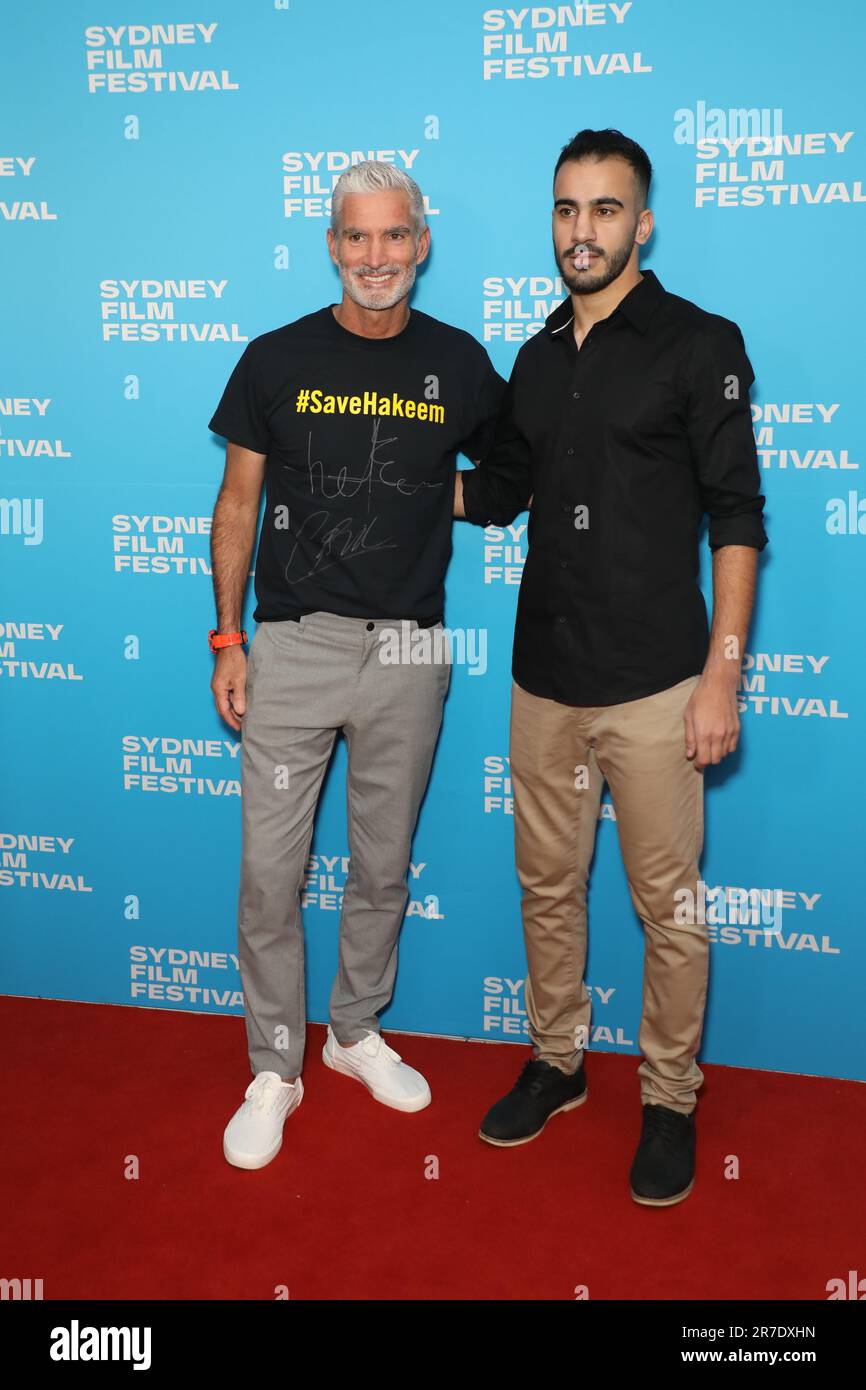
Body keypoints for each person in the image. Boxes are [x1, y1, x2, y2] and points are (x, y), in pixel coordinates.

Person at [455, 128, 768, 1206]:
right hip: (541, 674)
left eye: (602, 209)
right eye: (563, 209)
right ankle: (557, 1059)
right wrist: (373, 477)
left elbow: (736, 518)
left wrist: (722, 673)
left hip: (655, 683)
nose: (579, 230)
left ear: (642, 222)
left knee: (667, 907)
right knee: (547, 885)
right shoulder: (537, 356)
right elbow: (492, 492)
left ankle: (670, 1097)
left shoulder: (698, 343)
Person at [208, 160, 504, 1170]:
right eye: (356, 237)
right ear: (331, 246)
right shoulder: (273, 357)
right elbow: (237, 505)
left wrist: (436, 498)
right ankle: (275, 1066)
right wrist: (228, 636)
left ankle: (353, 1035)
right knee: (268, 875)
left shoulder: (459, 363)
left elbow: (507, 479)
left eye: (393, 236)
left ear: (420, 244)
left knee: (380, 865)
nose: (375, 257)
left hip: (412, 648)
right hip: (291, 644)